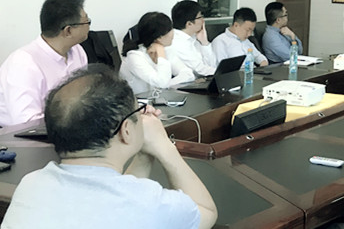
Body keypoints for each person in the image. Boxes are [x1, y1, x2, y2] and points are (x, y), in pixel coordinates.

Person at [1, 65, 217, 229]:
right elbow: (206, 212)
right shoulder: (151, 204)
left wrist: (143, 154)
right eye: (138, 112)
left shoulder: (30, 185)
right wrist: (164, 147)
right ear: (126, 130)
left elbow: (114, 194)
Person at [0, 0, 89, 127]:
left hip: (68, 129)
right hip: (23, 135)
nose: (89, 26)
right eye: (87, 21)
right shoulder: (24, 63)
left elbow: (84, 98)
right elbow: (27, 123)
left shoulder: (77, 51)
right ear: (68, 31)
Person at [119, 12, 194, 94]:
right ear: (159, 37)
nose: (173, 32)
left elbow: (188, 74)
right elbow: (162, 82)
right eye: (170, 29)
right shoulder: (134, 56)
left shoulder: (166, 48)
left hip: (158, 98)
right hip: (139, 101)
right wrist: (161, 52)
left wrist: (168, 84)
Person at [169, 0, 217, 76]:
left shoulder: (194, 38)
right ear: (189, 24)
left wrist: (204, 43)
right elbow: (200, 70)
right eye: (200, 17)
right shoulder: (176, 42)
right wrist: (222, 72)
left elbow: (212, 65)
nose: (203, 20)